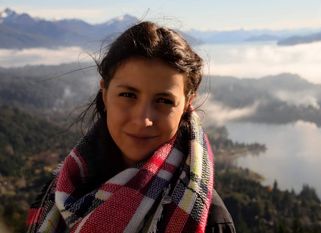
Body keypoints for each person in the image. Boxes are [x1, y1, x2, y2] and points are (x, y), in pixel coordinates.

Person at [27, 21, 235, 233]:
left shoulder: (208, 219)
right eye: (128, 95)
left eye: (164, 101)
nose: (142, 120)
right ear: (105, 94)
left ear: (187, 104)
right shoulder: (61, 189)